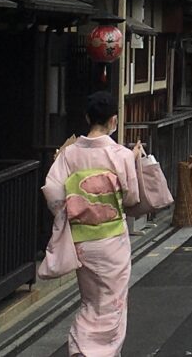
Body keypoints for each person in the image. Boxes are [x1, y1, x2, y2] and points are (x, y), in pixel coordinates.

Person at [43, 91, 142, 356]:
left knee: (91, 301)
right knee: (113, 303)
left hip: (82, 241)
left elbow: (53, 191)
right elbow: (132, 196)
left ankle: (81, 345)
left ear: (88, 118)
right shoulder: (119, 154)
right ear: (114, 120)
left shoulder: (69, 155)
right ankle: (96, 352)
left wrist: (72, 210)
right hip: (112, 242)